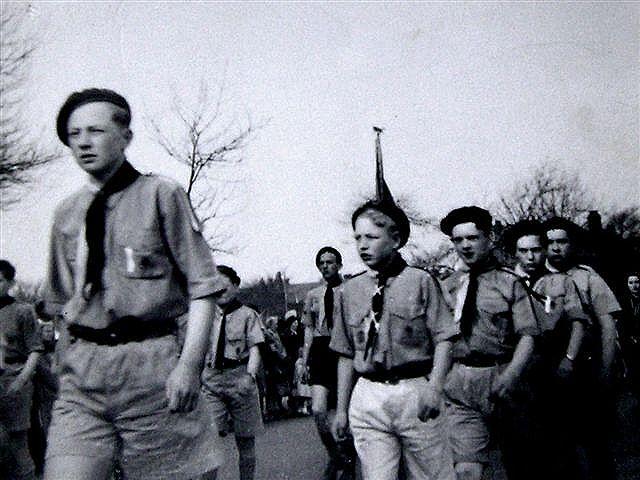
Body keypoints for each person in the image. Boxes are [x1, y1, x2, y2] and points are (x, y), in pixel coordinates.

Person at [42, 88, 223, 480]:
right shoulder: (67, 214)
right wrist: (65, 358)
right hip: (83, 378)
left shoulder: (161, 195)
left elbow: (204, 287)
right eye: (74, 135)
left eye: (96, 130)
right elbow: (59, 302)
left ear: (126, 137)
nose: (84, 143)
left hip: (152, 368)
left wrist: (189, 367)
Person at [330, 199, 456, 480]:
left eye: (372, 237)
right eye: (358, 238)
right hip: (369, 396)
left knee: (432, 476)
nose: (363, 245)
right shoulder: (349, 291)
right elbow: (345, 354)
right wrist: (341, 409)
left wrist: (434, 387)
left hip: (414, 392)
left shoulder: (420, 281)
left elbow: (445, 338)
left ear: (395, 239)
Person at [439, 207, 539, 480]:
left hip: (505, 380)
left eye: (472, 237)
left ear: (489, 238)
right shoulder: (448, 286)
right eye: (458, 240)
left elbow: (528, 336)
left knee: (520, 465)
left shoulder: (510, 283)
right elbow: (442, 339)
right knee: (466, 470)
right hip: (461, 384)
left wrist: (511, 375)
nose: (465, 245)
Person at [542, 217, 621, 480]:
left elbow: (607, 326)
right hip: (546, 372)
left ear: (571, 244)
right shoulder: (534, 278)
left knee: (595, 446)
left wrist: (606, 372)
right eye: (550, 242)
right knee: (555, 449)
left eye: (561, 242)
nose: (555, 248)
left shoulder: (587, 277)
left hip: (584, 370)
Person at [201, 266, 264, 480]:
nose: (219, 290)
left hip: (240, 379)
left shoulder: (248, 315)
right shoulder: (204, 316)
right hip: (211, 382)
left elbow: (256, 348)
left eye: (225, 286)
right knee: (209, 441)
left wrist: (250, 376)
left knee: (245, 441)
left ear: (236, 286)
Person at [301, 246, 355, 480]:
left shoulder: (350, 290)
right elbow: (309, 328)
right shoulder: (313, 295)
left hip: (344, 349)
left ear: (339, 265)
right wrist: (304, 359)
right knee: (318, 409)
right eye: (321, 263)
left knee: (348, 411)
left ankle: (350, 459)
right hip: (321, 351)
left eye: (330, 262)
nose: (325, 266)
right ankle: (335, 454)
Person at [0, 259, 43, 480]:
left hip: (12, 380)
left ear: (10, 282)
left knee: (18, 441)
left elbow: (35, 349)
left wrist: (22, 379)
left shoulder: (22, 311)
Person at [618, 272, 640, 409]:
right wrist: (629, 337)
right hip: (628, 340)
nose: (634, 286)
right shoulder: (623, 301)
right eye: (631, 283)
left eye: (637, 282)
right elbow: (621, 323)